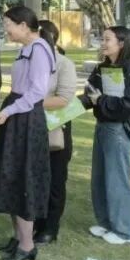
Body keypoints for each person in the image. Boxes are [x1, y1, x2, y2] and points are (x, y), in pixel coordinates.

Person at [0, 6, 53, 260]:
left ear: (24, 25)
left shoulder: (39, 50)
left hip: (25, 119)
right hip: (16, 116)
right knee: (11, 175)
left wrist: (9, 111)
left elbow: (37, 92)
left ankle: (27, 245)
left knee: (24, 176)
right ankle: (18, 238)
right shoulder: (27, 49)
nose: (6, 30)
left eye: (9, 25)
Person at [80, 26, 130, 245]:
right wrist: (63, 110)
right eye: (102, 38)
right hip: (102, 126)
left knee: (117, 179)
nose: (103, 42)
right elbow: (89, 95)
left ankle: (125, 231)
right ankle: (106, 222)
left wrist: (102, 101)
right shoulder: (103, 67)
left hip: (118, 130)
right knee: (100, 178)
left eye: (107, 39)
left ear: (121, 43)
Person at [33, 20, 77, 245]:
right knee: (35, 178)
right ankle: (36, 221)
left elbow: (64, 99)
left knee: (55, 179)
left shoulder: (63, 64)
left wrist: (31, 101)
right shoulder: (29, 61)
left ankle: (50, 227)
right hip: (33, 126)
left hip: (56, 129)